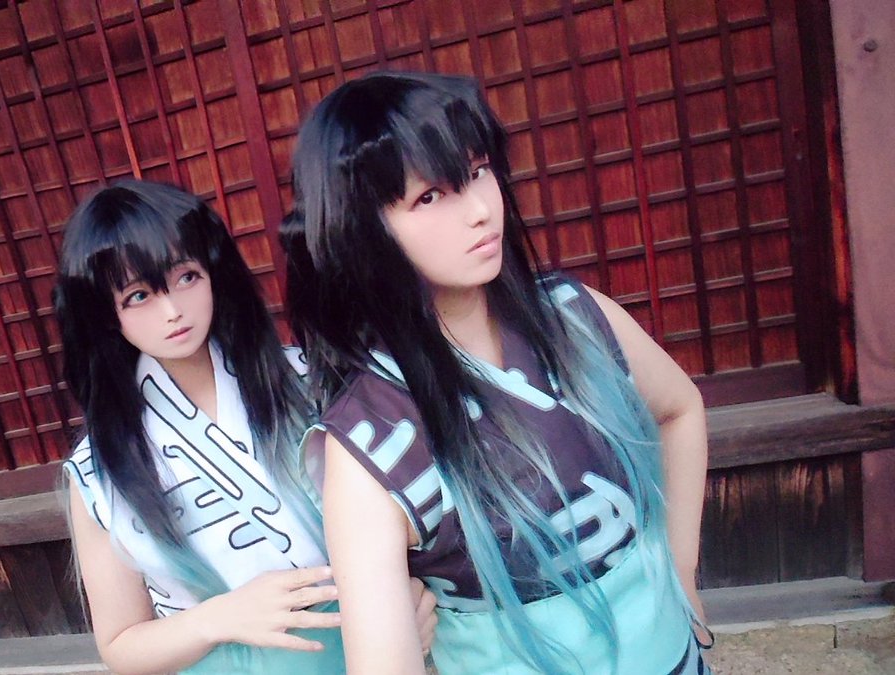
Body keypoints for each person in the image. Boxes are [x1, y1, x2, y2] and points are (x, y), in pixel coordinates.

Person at [284, 71, 712, 674]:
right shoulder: (372, 442)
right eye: (430, 197)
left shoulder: (574, 317)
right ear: (361, 229)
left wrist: (682, 571)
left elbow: (680, 409)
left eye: (478, 171)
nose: (481, 210)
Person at [54, 180, 433, 674]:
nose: (172, 311)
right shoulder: (99, 467)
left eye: (187, 277)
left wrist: (408, 599)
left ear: (214, 272)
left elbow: (412, 518)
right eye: (139, 295)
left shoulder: (312, 383)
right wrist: (220, 617)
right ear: (105, 315)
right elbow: (121, 645)